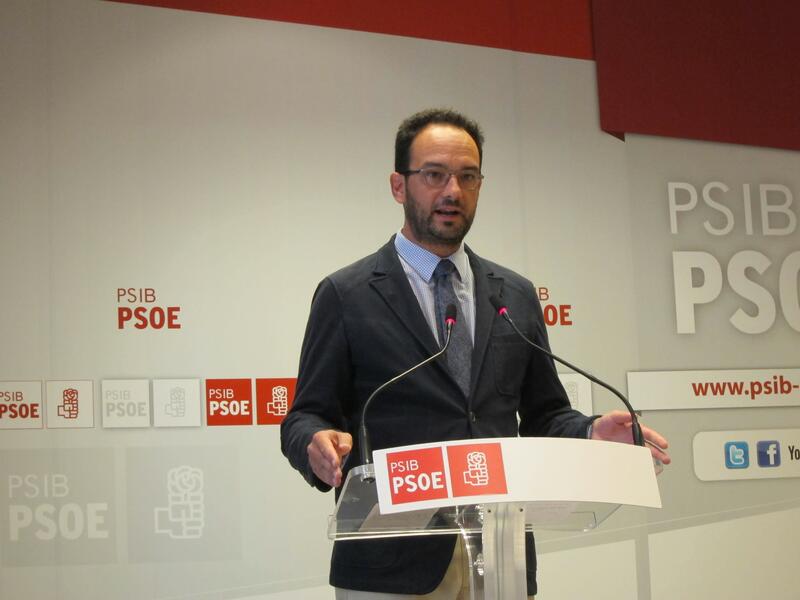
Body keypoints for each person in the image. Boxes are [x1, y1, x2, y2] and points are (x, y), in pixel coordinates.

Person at [280, 108, 670, 599]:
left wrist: (591, 432)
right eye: (434, 175)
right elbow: (304, 416)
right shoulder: (348, 294)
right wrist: (315, 444)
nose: (452, 191)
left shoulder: (514, 294)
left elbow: (546, 414)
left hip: (499, 555)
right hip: (391, 563)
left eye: (468, 177)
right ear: (399, 186)